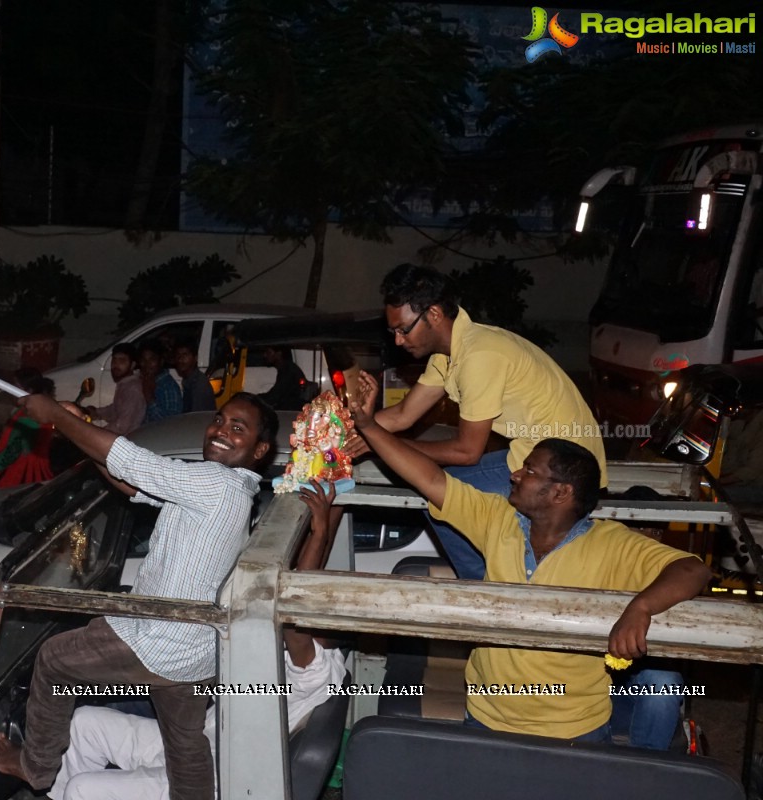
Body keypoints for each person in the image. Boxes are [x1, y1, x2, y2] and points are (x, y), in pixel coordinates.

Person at [349, 371, 710, 742]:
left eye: (530, 470)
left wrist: (641, 608)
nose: (515, 475)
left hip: (574, 731)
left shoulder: (611, 543)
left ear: (560, 493)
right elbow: (430, 479)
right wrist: (369, 427)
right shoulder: (497, 519)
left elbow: (692, 569)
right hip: (487, 718)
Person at [0, 392, 278, 800]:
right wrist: (77, 432)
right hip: (194, 651)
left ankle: (35, 767)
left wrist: (56, 415)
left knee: (54, 660)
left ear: (260, 449)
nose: (220, 431)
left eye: (238, 428)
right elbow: (131, 484)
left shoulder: (216, 484)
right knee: (185, 742)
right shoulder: (230, 489)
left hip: (157, 640)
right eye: (219, 419)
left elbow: (135, 463)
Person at [48, 483, 346, 800]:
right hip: (199, 743)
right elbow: (305, 589)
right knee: (85, 723)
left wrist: (319, 532)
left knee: (84, 790)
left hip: (217, 780)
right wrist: (326, 519)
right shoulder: (303, 649)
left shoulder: (319, 670)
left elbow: (295, 604)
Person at [356, 264, 607, 583]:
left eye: (404, 329)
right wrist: (347, 431)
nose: (398, 341)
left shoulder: (479, 355)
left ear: (433, 314)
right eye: (394, 332)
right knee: (436, 480)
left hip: (562, 467)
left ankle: (480, 587)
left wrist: (382, 443)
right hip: (536, 453)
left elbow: (466, 451)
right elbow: (402, 414)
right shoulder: (449, 354)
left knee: (435, 492)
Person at [0, 368, 57, 494]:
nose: (8, 390)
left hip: (24, 471)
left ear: (27, 391)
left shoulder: (28, 416)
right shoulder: (38, 409)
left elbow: (13, 451)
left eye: (14, 386)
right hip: (35, 467)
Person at [82, 342, 146, 435]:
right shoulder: (126, 384)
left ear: (132, 365)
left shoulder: (133, 389)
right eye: (114, 360)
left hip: (128, 441)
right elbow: (116, 409)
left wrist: (94, 433)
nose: (116, 365)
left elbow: (122, 426)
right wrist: (96, 412)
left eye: (122, 361)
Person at [139, 338, 183, 423]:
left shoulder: (168, 386)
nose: (146, 364)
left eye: (152, 359)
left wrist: (150, 398)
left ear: (161, 361)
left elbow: (169, 423)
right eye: (143, 360)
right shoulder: (147, 381)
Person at [257, 345, 308, 411]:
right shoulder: (286, 368)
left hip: (290, 410)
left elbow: (274, 396)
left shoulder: (287, 370)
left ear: (278, 353)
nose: (265, 355)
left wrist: (256, 399)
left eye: (268, 352)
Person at [174, 337, 215, 413]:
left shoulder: (199, 385)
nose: (180, 359)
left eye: (185, 355)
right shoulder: (190, 380)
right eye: (178, 355)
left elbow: (196, 418)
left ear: (195, 358)